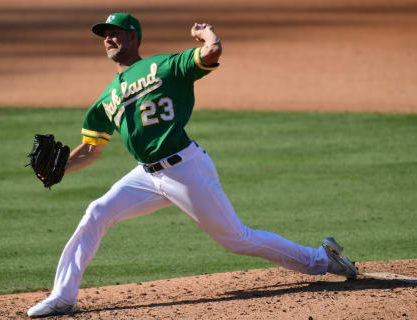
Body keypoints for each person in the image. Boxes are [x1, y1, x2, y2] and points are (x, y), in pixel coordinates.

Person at [27, 13, 358, 318]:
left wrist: (207, 33)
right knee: (96, 212)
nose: (109, 39)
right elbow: (91, 149)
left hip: (185, 169)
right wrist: (57, 169)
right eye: (105, 35)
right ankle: (63, 296)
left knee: (237, 239)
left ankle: (322, 259)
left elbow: (211, 53)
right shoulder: (105, 100)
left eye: (116, 33)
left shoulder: (166, 66)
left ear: (133, 38)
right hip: (146, 174)